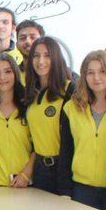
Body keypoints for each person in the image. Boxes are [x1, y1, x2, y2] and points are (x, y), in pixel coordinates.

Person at [58, 51, 106, 210]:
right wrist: (65, 191)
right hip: (81, 188)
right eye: (90, 73)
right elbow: (66, 151)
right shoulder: (71, 107)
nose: (96, 78)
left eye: (102, 71)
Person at [24, 36, 75, 194]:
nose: (41, 61)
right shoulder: (31, 93)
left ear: (56, 58)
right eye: (36, 55)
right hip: (40, 170)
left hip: (64, 168)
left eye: (47, 55)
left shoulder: (69, 90)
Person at [0, 54, 33, 187]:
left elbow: (38, 146)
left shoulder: (29, 107)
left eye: (7, 71)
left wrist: (26, 175)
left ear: (15, 74)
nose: (2, 77)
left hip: (25, 183)